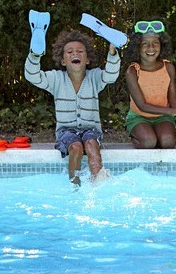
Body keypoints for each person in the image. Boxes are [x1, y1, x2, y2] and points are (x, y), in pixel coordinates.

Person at [25, 29, 121, 185]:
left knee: (91, 144)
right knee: (76, 147)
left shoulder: (95, 77)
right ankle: (74, 185)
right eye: (69, 52)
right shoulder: (56, 79)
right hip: (66, 131)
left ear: (87, 59)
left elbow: (111, 75)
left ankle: (98, 182)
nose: (75, 53)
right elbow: (33, 76)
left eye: (80, 51)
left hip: (91, 130)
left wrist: (112, 52)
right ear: (63, 61)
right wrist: (35, 55)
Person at [123, 19, 176, 148]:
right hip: (139, 117)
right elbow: (142, 106)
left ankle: (156, 136)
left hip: (163, 116)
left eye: (155, 43)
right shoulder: (132, 72)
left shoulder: (168, 67)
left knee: (168, 142)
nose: (151, 48)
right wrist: (173, 111)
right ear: (137, 47)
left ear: (162, 45)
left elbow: (173, 98)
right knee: (148, 142)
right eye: (145, 44)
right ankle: (140, 136)